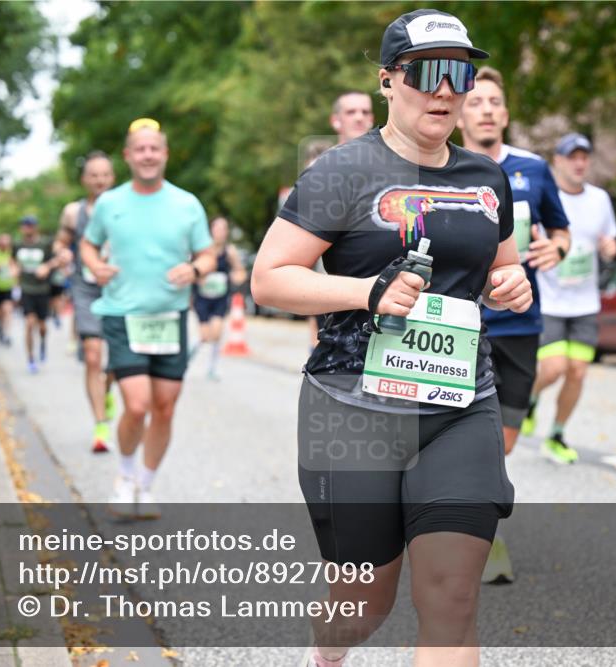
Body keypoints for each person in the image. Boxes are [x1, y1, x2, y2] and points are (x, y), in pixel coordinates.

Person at [252, 10, 530, 666]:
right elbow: (269, 278)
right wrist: (366, 291)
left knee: (452, 598)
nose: (444, 90)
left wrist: (510, 285)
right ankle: (325, 655)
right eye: (425, 73)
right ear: (387, 81)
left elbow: (503, 264)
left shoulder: (485, 177)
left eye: (458, 74)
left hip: (459, 404)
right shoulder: (342, 171)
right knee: (363, 607)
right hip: (352, 407)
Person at [81, 118, 216, 517]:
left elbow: (208, 254)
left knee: (165, 407)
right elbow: (87, 247)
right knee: (137, 405)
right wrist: (95, 267)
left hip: (170, 315)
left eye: (154, 148)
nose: (147, 155)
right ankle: (123, 477)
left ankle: (145, 483)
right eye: (139, 149)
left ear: (165, 154)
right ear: (128, 156)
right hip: (123, 314)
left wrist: (195, 270)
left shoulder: (186, 203)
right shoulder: (109, 203)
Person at [455, 66, 572, 464]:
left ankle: (472, 514)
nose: (486, 111)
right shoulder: (444, 170)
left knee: (504, 441)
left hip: (521, 320)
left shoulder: (534, 169)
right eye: (475, 103)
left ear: (505, 115)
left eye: (495, 103)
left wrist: (556, 250)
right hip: (462, 319)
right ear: (458, 115)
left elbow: (560, 231)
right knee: (459, 430)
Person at [523, 134, 616, 460]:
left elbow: (610, 241)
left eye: (584, 157)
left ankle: (557, 434)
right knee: (553, 368)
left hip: (584, 303)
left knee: (577, 370)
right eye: (572, 157)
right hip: (550, 300)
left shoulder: (600, 199)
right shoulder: (546, 198)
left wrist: (610, 248)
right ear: (558, 161)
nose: (579, 163)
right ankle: (531, 400)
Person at [308, 92, 377, 349]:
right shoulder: (320, 168)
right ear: (336, 121)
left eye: (365, 112)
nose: (359, 117)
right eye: (351, 112)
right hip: (331, 282)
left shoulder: (392, 166)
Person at [60, 150, 118, 453]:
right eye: (93, 175)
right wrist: (63, 252)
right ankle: (100, 426)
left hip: (119, 290)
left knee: (118, 362)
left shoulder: (125, 207)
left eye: (105, 175)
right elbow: (60, 240)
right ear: (84, 179)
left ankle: (107, 387)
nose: (99, 180)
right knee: (93, 356)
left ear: (113, 178)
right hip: (86, 289)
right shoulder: (73, 212)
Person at [192, 216, 247, 380]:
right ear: (211, 230)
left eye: (224, 229)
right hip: (202, 297)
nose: (220, 232)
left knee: (216, 333)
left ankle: (212, 368)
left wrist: (236, 277)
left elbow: (240, 272)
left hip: (220, 298)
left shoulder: (230, 252)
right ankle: (185, 360)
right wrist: (198, 277)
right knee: (204, 336)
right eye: (217, 228)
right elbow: (192, 271)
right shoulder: (202, 250)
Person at [15, 215, 64, 373]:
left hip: (42, 290)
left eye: (30, 225)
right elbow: (12, 261)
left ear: (35, 227)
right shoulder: (17, 244)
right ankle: (31, 358)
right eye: (25, 225)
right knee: (29, 323)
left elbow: (59, 259)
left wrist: (47, 267)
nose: (27, 228)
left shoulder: (45, 243)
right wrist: (13, 269)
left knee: (42, 326)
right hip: (26, 289)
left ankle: (42, 342)